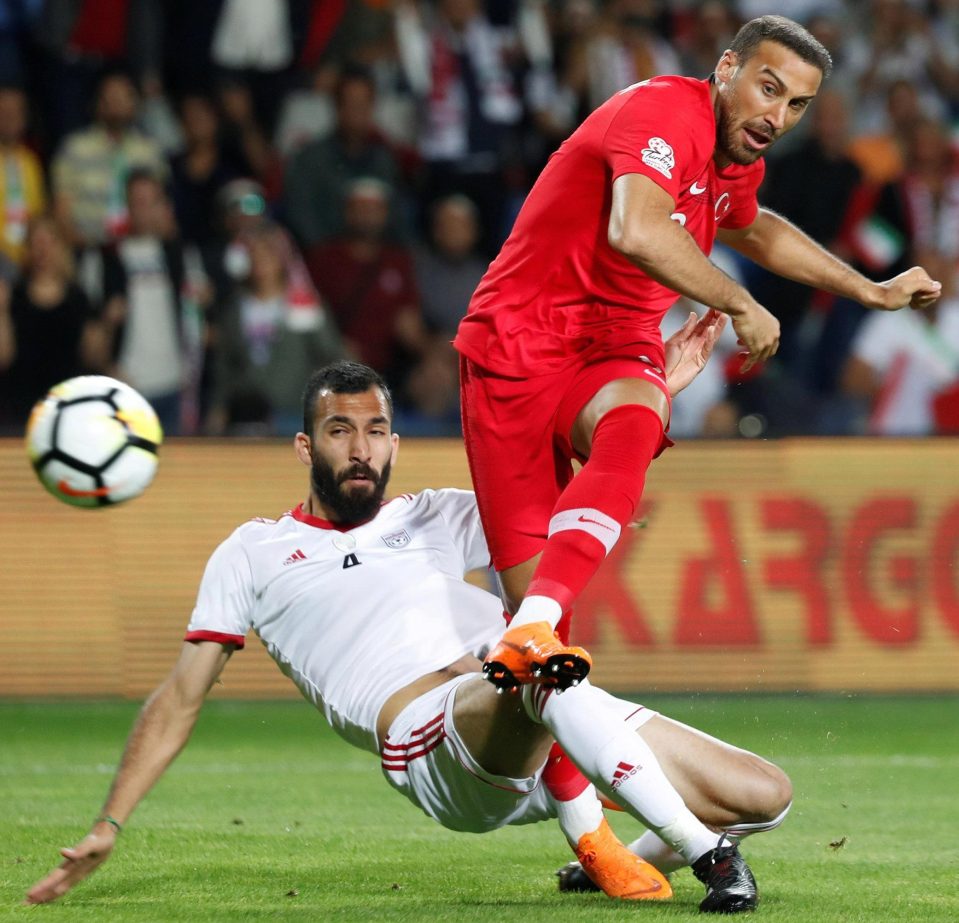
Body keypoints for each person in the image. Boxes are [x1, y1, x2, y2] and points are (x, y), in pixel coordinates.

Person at [26, 354, 792, 915]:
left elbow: (578, 492)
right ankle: (707, 856)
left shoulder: (439, 513)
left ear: (395, 443)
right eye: (338, 430)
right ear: (305, 447)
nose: (360, 448)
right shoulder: (252, 550)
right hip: (434, 740)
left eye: (376, 430)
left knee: (765, 794)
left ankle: (604, 847)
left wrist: (651, 394)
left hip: (546, 710)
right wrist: (108, 823)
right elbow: (180, 696)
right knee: (534, 663)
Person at [452, 14, 942, 694]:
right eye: (768, 89)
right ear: (725, 68)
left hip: (612, 340)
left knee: (636, 419)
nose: (778, 115)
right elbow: (635, 228)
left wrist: (869, 288)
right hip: (515, 346)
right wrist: (741, 303)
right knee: (539, 655)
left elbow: (753, 227)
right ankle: (571, 790)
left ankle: (532, 619)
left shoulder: (732, 154)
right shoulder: (663, 112)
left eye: (796, 104)